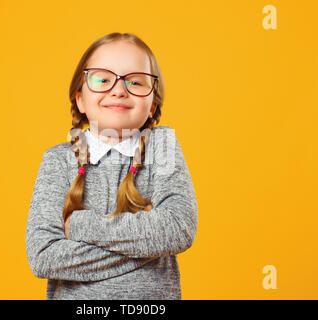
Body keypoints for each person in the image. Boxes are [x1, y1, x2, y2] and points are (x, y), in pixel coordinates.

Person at [25, 32, 198, 300]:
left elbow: (178, 229)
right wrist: (148, 246)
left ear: (153, 103)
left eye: (135, 82)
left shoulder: (161, 148)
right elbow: (44, 257)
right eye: (102, 79)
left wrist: (81, 227)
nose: (118, 89)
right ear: (80, 98)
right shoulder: (58, 160)